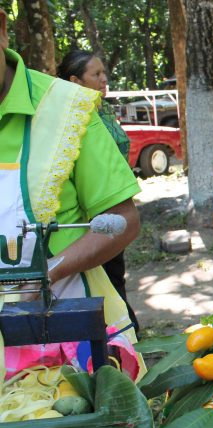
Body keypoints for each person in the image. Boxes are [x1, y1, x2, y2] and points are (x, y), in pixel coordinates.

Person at [0, 8, 143, 378]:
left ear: (1, 29)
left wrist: (45, 274)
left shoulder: (66, 109)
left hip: (68, 329)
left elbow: (124, 220)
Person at [57, 49, 140, 335]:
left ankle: (126, 335)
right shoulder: (70, 121)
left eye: (104, 73)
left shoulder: (103, 111)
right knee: (103, 283)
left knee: (116, 279)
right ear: (75, 81)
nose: (104, 79)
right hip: (91, 219)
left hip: (116, 207)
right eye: (96, 74)